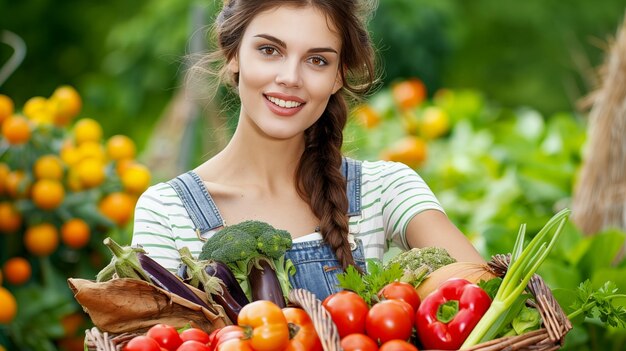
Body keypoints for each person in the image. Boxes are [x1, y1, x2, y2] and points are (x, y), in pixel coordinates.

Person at [131, 0, 484, 300]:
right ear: (233, 55)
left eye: (317, 60)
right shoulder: (167, 211)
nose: (290, 77)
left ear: (338, 77)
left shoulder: (386, 190)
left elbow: (487, 294)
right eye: (269, 50)